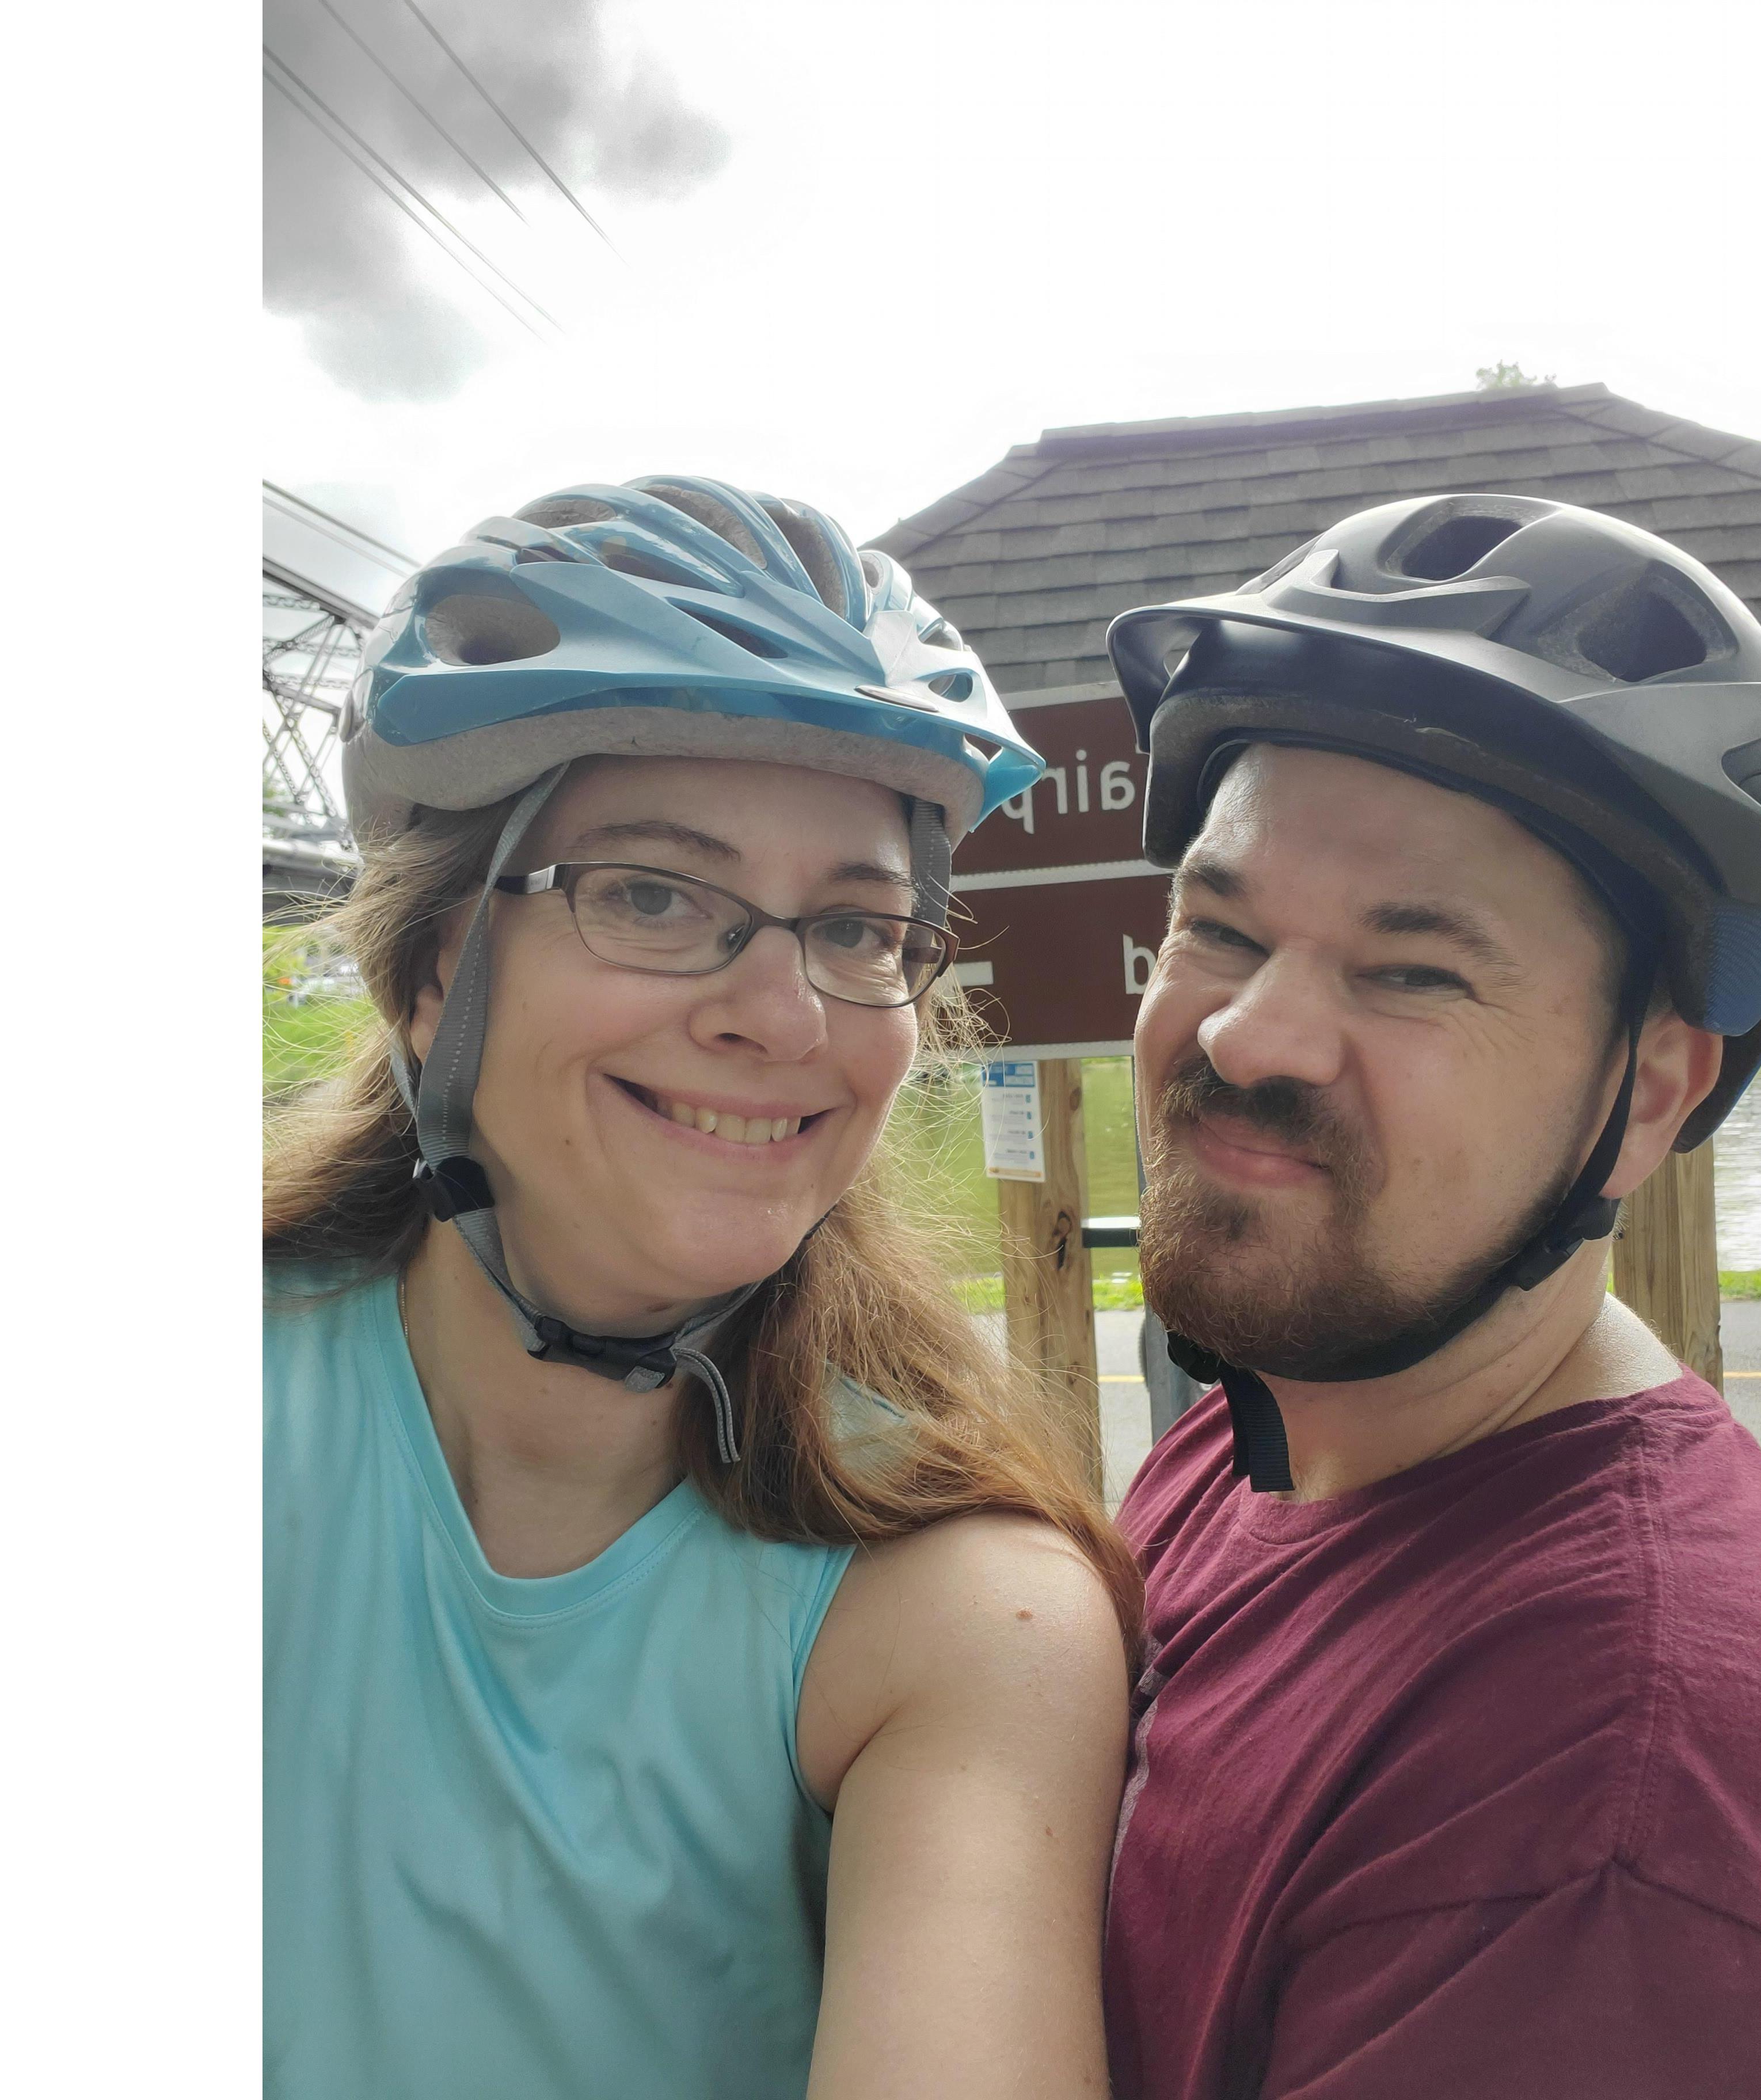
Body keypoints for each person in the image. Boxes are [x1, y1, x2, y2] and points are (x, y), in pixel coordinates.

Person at [264, 475, 1138, 2099]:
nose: (783, 1014)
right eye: (655, 895)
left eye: (860, 928)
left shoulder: (959, 1607)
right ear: (442, 965)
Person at [1098, 494, 1761, 2097]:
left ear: (1647, 1098)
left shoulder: (1612, 1815)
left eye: (1412, 971)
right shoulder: (1271, 1424)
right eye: (1219, 929)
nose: (1248, 1036)